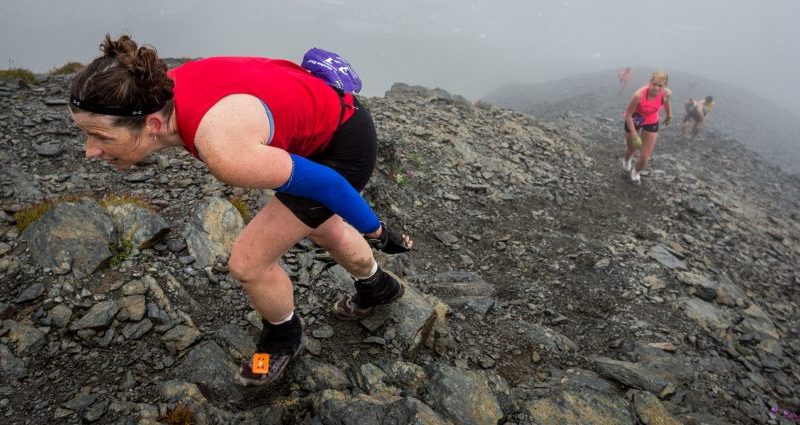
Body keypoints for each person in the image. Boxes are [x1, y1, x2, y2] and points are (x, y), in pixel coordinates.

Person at [68, 35, 413, 386]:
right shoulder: (154, 86)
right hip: (327, 117)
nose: (90, 151)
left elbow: (329, 185)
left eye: (101, 137)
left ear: (152, 125)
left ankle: (283, 338)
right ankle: (377, 287)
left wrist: (378, 231)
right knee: (321, 224)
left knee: (249, 262)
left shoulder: (224, 150)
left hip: (341, 148)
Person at [621, 70, 672, 184]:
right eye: (654, 84)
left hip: (651, 120)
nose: (656, 88)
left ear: (665, 86)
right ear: (650, 83)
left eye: (660, 86)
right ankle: (626, 160)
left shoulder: (666, 93)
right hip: (634, 119)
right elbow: (628, 115)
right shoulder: (638, 95)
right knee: (631, 148)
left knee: (645, 157)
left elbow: (666, 102)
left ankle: (635, 173)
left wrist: (669, 115)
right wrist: (634, 135)